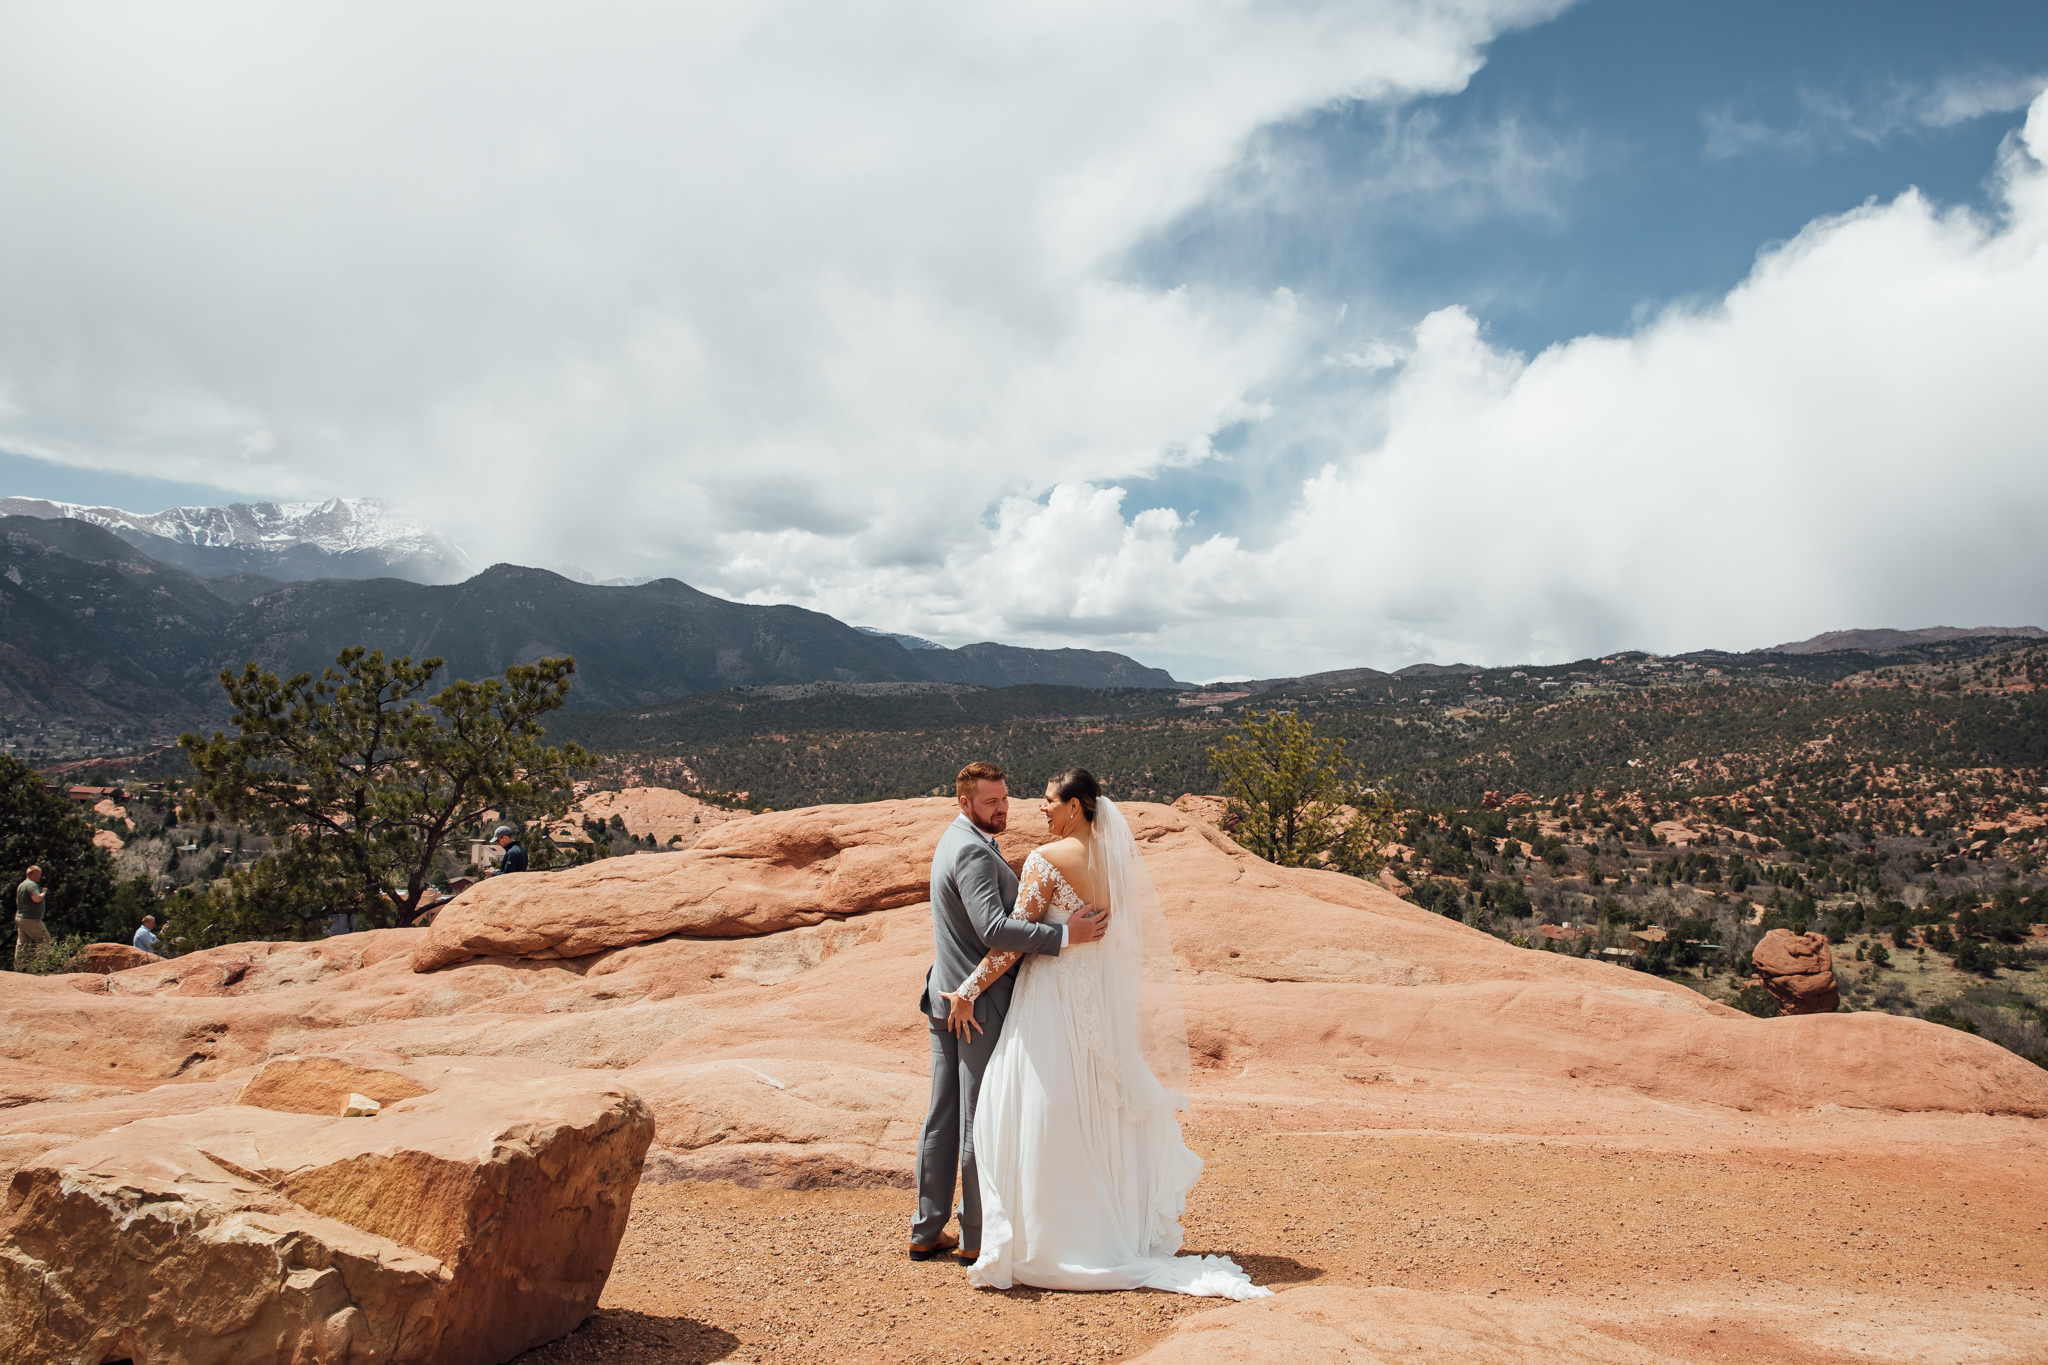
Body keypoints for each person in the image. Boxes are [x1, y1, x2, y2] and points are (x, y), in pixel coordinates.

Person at [942, 768, 1268, 1299]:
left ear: (1074, 806)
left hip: (1052, 997)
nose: (1040, 809)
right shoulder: (1112, 861)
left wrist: (969, 989)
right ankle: (1102, 1227)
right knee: (1095, 1105)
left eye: (1049, 801)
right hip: (1095, 997)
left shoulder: (1046, 861)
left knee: (1032, 1104)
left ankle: (1050, 1239)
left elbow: (1011, 944)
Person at [910, 761, 1109, 1265]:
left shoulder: (954, 840)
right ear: (965, 803)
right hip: (977, 1005)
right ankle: (975, 1237)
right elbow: (996, 930)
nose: (1004, 808)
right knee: (981, 1118)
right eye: (991, 802)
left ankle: (926, 1228)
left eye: (1005, 798)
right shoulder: (975, 853)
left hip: (946, 997)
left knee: (943, 1117)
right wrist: (1066, 935)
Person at [14, 865, 48, 971]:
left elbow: (17, 901)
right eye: (39, 874)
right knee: (44, 939)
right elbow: (36, 899)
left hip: (21, 917)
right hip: (31, 919)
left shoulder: (22, 885)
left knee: (23, 944)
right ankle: (42, 967)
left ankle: (19, 968)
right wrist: (43, 893)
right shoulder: (32, 885)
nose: (40, 876)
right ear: (33, 873)